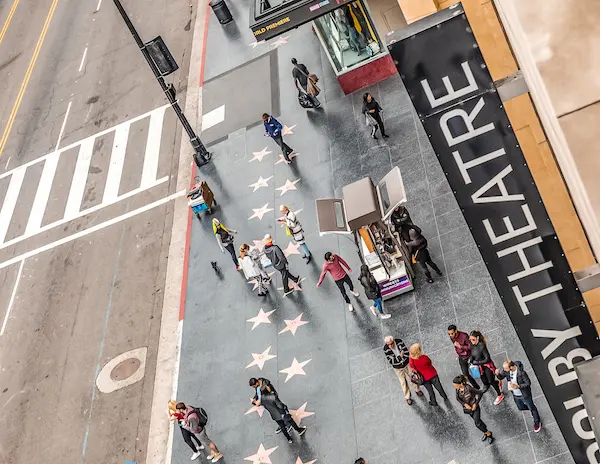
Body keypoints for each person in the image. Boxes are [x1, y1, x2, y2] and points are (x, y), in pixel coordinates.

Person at [496, 360, 542, 432]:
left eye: (505, 368)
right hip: (515, 394)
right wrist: (498, 374)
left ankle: (537, 421)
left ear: (511, 367)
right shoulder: (506, 371)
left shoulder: (522, 373)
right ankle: (532, 408)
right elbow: (500, 377)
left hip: (524, 394)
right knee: (520, 407)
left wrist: (518, 386)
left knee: (532, 408)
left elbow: (528, 383)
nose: (504, 370)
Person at [453, 375, 495, 444]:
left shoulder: (468, 388)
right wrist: (465, 404)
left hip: (474, 407)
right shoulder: (457, 390)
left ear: (460, 384)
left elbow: (480, 393)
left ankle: (488, 433)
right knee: (478, 421)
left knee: (477, 423)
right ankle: (484, 431)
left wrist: (476, 403)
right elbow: (458, 399)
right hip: (469, 409)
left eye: (455, 385)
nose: (454, 387)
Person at [468, 330, 505, 405]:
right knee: (484, 379)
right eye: (470, 339)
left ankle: (500, 395)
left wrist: (476, 362)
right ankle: (494, 383)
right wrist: (471, 358)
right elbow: (473, 354)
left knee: (491, 380)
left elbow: (487, 359)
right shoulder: (472, 345)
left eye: (473, 339)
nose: (472, 341)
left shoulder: (482, 346)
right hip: (480, 367)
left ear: (477, 338)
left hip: (487, 366)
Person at [383, 336, 423, 404]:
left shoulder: (399, 342)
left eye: (391, 343)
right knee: (403, 382)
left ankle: (417, 390)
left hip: (407, 364)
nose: (390, 346)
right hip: (398, 368)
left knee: (413, 377)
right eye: (388, 344)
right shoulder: (386, 349)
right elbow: (391, 361)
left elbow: (407, 353)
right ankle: (407, 397)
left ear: (393, 341)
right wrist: (400, 356)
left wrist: (398, 359)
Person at [448, 324, 480, 389]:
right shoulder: (452, 337)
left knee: (478, 370)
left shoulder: (464, 336)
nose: (451, 335)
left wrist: (461, 347)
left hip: (468, 356)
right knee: (465, 374)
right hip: (461, 357)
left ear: (456, 331)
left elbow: (470, 346)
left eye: (452, 333)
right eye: (449, 334)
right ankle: (476, 387)